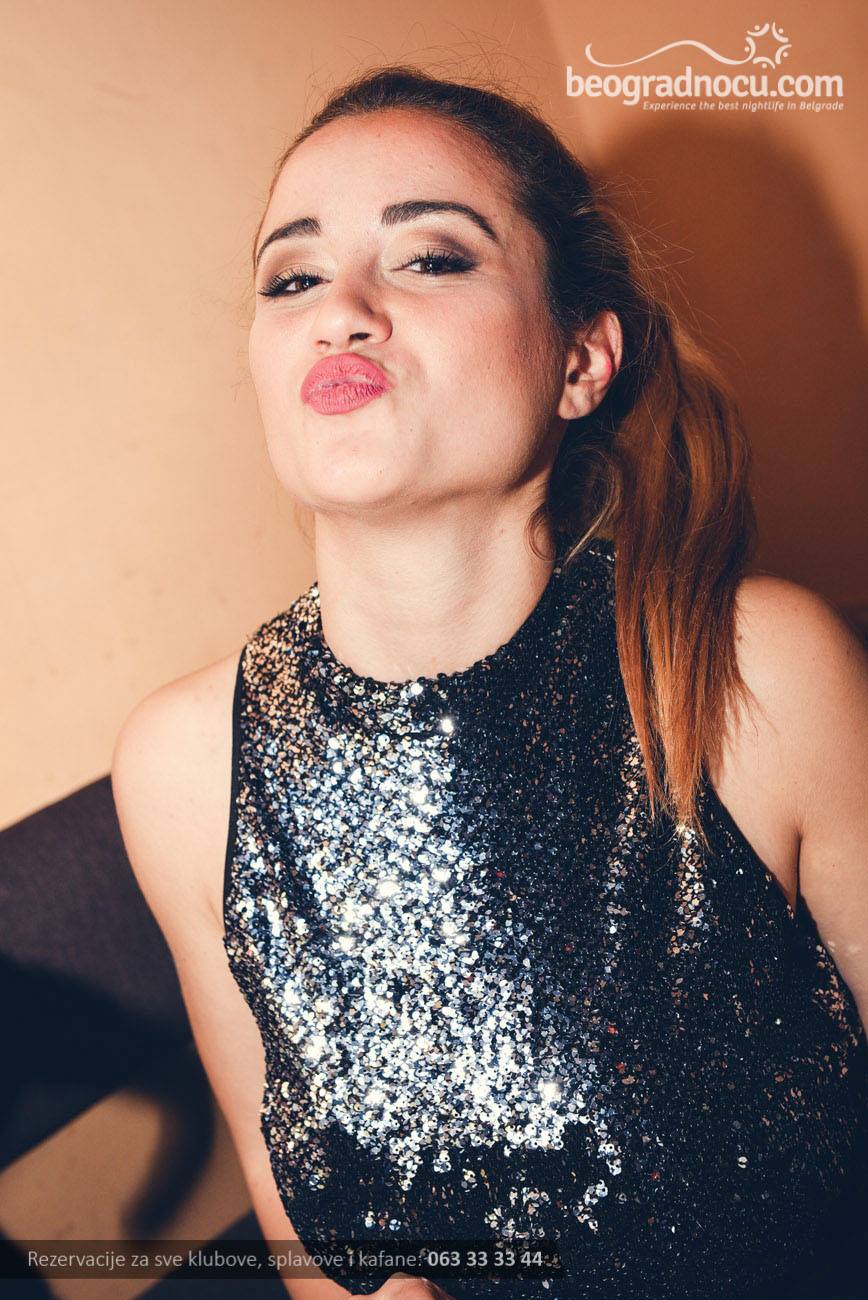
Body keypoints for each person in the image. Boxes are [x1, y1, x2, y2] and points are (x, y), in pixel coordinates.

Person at [110, 65, 868, 1300]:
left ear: (581, 359)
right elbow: (292, 1215)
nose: (340, 310)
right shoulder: (182, 766)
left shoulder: (755, 672)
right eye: (292, 278)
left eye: (430, 258)